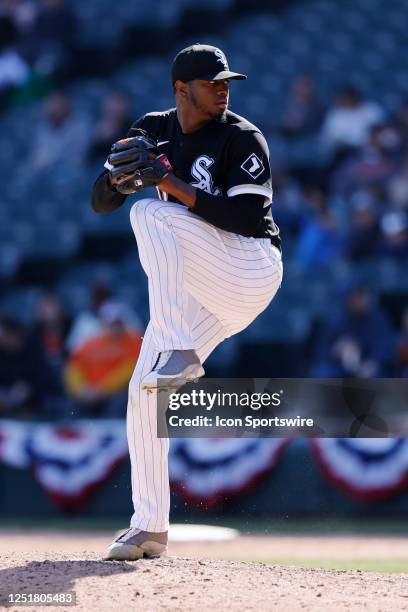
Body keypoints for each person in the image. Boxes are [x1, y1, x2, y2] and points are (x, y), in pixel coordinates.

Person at [91, 43, 282, 560]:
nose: (223, 90)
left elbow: (245, 220)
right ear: (182, 89)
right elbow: (100, 201)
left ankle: (176, 353)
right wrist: (116, 178)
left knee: (150, 216)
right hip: (200, 293)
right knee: (144, 388)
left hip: (249, 268)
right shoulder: (153, 129)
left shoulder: (241, 137)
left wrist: (166, 181)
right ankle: (149, 526)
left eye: (226, 83)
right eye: (213, 82)